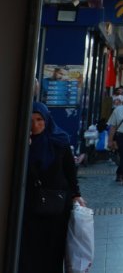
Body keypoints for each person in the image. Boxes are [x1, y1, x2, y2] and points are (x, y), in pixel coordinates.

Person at [22, 103, 85, 272]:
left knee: (53, 247)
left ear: (47, 120)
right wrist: (25, 148)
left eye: (40, 120)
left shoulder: (59, 141)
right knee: (29, 248)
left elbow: (69, 171)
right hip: (30, 204)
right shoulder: (21, 144)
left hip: (56, 204)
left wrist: (76, 195)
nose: (35, 125)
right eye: (31, 120)